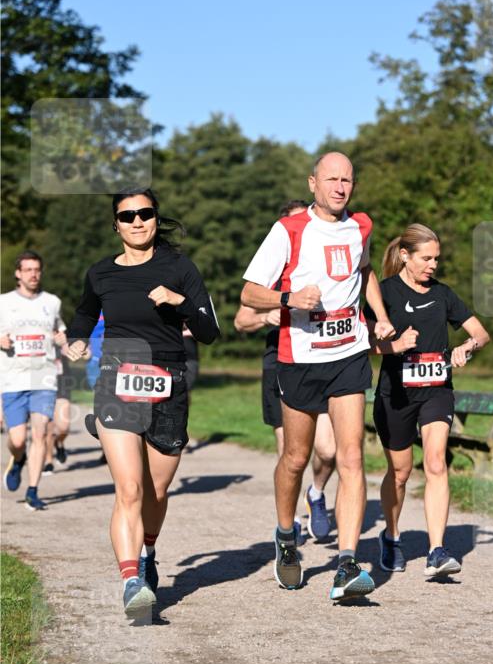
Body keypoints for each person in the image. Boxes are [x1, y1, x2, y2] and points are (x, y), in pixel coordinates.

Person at [241, 151, 395, 601]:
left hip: (349, 354)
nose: (340, 187)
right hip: (300, 358)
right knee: (295, 457)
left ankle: (347, 564)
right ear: (313, 183)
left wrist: (378, 316)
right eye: (332, 179)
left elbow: (364, 271)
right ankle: (287, 538)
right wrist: (289, 299)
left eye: (347, 179)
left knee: (351, 458)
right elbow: (250, 293)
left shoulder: (361, 225)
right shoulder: (288, 230)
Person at [65, 188, 220, 618]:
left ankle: (148, 551)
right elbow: (82, 315)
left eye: (145, 213)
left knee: (156, 490)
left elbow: (209, 331)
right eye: (127, 215)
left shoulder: (178, 267)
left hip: (168, 381)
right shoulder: (100, 274)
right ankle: (131, 580)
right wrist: (77, 340)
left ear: (155, 217)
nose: (137, 221)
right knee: (129, 488)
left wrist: (179, 302)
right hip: (118, 380)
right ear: (115, 224)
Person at [368, 224, 489, 578]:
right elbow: (363, 343)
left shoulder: (444, 295)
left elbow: (480, 333)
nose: (433, 265)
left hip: (437, 390)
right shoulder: (384, 293)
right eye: (426, 258)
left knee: (436, 463)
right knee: (401, 472)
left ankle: (437, 550)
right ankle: (390, 538)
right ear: (405, 255)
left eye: (437, 258)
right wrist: (394, 346)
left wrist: (467, 347)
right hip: (396, 394)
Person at [234, 200, 336, 543]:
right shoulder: (274, 271)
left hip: (321, 360)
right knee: (289, 453)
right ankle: (289, 523)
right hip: (279, 361)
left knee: (329, 450)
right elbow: (240, 319)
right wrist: (268, 315)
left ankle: (317, 493)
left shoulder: (326, 269)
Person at [0, 251, 67, 509]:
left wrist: (62, 338)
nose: (33, 274)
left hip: (44, 377)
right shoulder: (4, 302)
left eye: (37, 269)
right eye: (27, 269)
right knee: (17, 440)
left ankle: (33, 491)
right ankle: (18, 460)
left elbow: (60, 330)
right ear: (18, 273)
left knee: (40, 434)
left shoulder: (52, 302)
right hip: (13, 379)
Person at [43, 349, 72, 474]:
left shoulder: (62, 334)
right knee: (48, 428)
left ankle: (59, 442)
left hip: (62, 383)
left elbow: (81, 350)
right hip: (42, 385)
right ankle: (48, 461)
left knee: (63, 427)